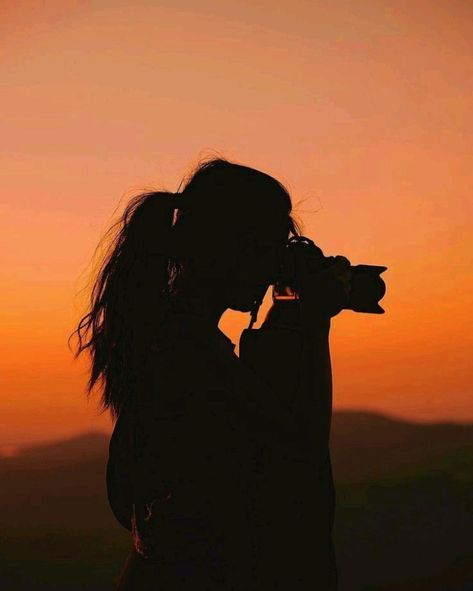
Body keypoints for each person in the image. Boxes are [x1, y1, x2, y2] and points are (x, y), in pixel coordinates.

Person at [70, 157, 352, 590]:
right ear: (237, 247)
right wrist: (311, 320)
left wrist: (291, 313)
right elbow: (295, 461)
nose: (278, 262)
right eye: (275, 244)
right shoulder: (190, 358)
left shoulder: (169, 342)